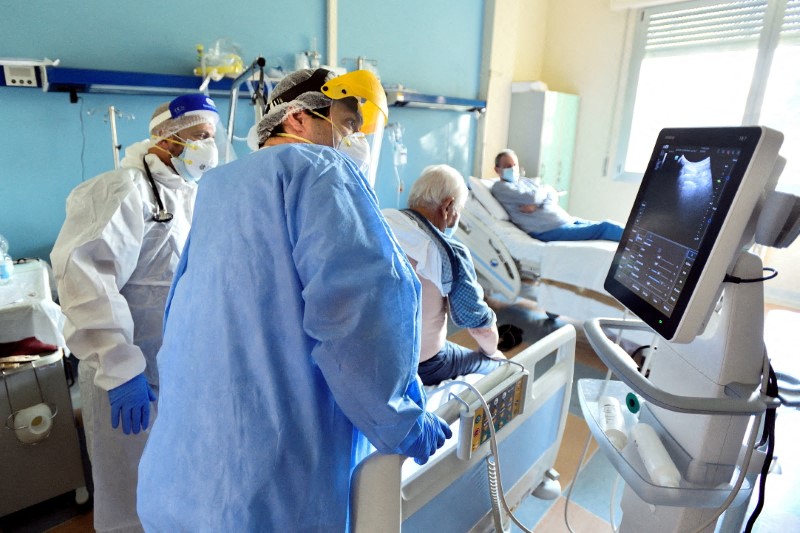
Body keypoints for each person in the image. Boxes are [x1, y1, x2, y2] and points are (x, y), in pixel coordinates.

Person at [136, 68, 451, 531]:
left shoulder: (219, 186)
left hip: (183, 476)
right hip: (272, 484)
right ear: (299, 119)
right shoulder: (320, 170)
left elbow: (187, 309)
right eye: (346, 124)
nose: (353, 139)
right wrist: (404, 423)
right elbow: (360, 323)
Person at [50, 94, 220, 532]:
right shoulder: (121, 189)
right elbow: (84, 276)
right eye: (200, 137)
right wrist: (119, 364)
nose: (209, 147)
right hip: (124, 373)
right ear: (166, 138)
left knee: (175, 485)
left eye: (212, 137)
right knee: (130, 491)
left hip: (175, 369)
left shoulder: (188, 196)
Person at [383, 165, 506, 386]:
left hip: (371, 358)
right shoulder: (448, 253)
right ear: (448, 206)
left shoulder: (380, 223)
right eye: (459, 210)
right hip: (423, 365)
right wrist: (493, 350)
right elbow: (479, 326)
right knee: (499, 365)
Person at [491, 149, 623, 242]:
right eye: (508, 166)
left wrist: (539, 202)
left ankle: (639, 241)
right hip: (547, 230)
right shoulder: (501, 188)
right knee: (606, 227)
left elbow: (552, 194)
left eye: (515, 165)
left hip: (565, 220)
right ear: (497, 169)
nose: (513, 169)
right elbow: (532, 197)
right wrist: (542, 196)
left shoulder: (524, 181)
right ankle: (640, 243)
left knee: (605, 226)